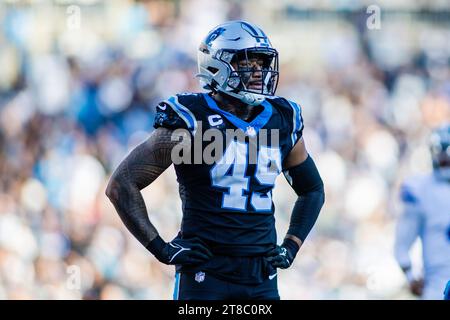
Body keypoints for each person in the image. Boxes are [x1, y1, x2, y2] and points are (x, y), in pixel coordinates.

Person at [106, 20, 325, 300]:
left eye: (263, 62)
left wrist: (292, 244)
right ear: (217, 66)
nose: (259, 71)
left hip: (260, 275)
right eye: (248, 63)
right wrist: (161, 248)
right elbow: (121, 184)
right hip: (205, 275)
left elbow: (312, 189)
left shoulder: (282, 117)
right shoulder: (191, 118)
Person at [394, 123, 450, 300]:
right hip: (437, 287)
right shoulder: (420, 188)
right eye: (440, 151)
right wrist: (411, 276)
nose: (444, 158)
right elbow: (401, 245)